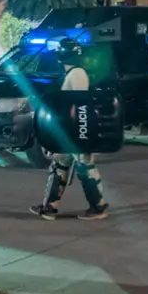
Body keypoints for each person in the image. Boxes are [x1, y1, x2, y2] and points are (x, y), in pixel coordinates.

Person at [29, 38, 109, 221]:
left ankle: (98, 207)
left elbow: (81, 108)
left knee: (85, 167)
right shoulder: (73, 73)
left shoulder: (77, 74)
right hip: (71, 132)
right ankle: (50, 207)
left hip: (77, 132)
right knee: (60, 165)